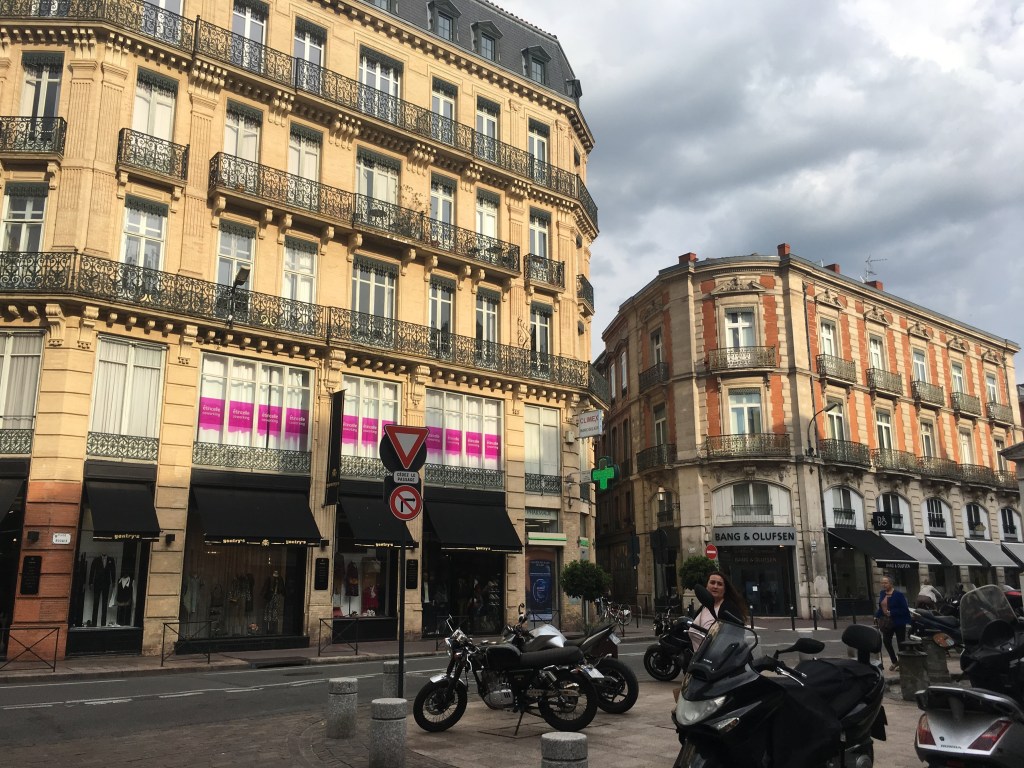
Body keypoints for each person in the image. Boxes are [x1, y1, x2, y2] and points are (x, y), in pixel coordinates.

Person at [689, 571, 750, 651]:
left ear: (725, 589)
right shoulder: (704, 606)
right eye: (712, 582)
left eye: (719, 584)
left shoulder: (729, 608)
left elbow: (736, 635)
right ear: (706, 586)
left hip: (717, 657)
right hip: (698, 656)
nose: (715, 586)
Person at [876, 574, 910, 670]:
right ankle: (894, 661)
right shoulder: (882, 593)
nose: (883, 585)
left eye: (885, 583)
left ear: (891, 583)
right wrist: (876, 615)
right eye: (882, 583)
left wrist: (892, 612)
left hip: (898, 621)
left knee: (901, 643)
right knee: (886, 641)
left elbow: (904, 609)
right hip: (887, 622)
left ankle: (902, 663)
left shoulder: (898, 595)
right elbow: (881, 607)